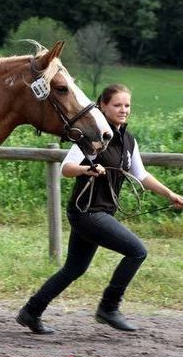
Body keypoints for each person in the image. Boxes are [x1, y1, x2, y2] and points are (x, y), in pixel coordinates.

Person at [16, 84, 183, 334]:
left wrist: (170, 194)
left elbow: (141, 174)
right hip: (87, 212)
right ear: (103, 106)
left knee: (74, 268)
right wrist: (87, 169)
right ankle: (108, 307)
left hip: (100, 212)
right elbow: (66, 168)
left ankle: (31, 311)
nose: (123, 110)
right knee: (137, 251)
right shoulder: (92, 135)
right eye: (117, 105)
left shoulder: (128, 139)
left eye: (127, 105)